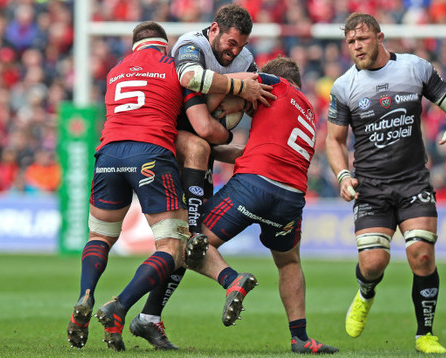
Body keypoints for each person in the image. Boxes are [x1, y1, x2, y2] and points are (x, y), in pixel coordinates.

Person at [66, 20, 264, 352]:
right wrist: (231, 113)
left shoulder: (115, 71)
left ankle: (86, 295)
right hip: (151, 155)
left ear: (134, 46)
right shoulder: (173, 66)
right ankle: (121, 306)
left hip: (109, 153)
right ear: (164, 44)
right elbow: (204, 125)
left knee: (99, 237)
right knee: (173, 246)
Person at [128, 4, 276, 350]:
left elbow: (252, 104)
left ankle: (146, 316)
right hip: (169, 140)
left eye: (240, 46)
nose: (234, 51)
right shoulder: (191, 44)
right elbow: (189, 78)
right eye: (230, 42)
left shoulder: (245, 60)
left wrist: (234, 102)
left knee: (186, 245)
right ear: (214, 30)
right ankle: (123, 309)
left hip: (201, 147)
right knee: (185, 238)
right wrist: (234, 90)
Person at [325, 13, 446, 354]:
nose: (356, 47)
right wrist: (343, 175)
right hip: (371, 187)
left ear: (379, 36)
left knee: (421, 255)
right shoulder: (344, 86)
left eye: (361, 39)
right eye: (350, 42)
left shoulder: (414, 68)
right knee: (373, 264)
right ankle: (365, 292)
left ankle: (425, 335)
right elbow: (334, 140)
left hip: (412, 181)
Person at [184, 56, 338, 354]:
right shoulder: (306, 109)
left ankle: (232, 280)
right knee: (289, 262)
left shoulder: (275, 84)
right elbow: (247, 151)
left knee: (190, 243)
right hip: (291, 197)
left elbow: (233, 85)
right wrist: (209, 151)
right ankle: (301, 338)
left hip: (254, 185)